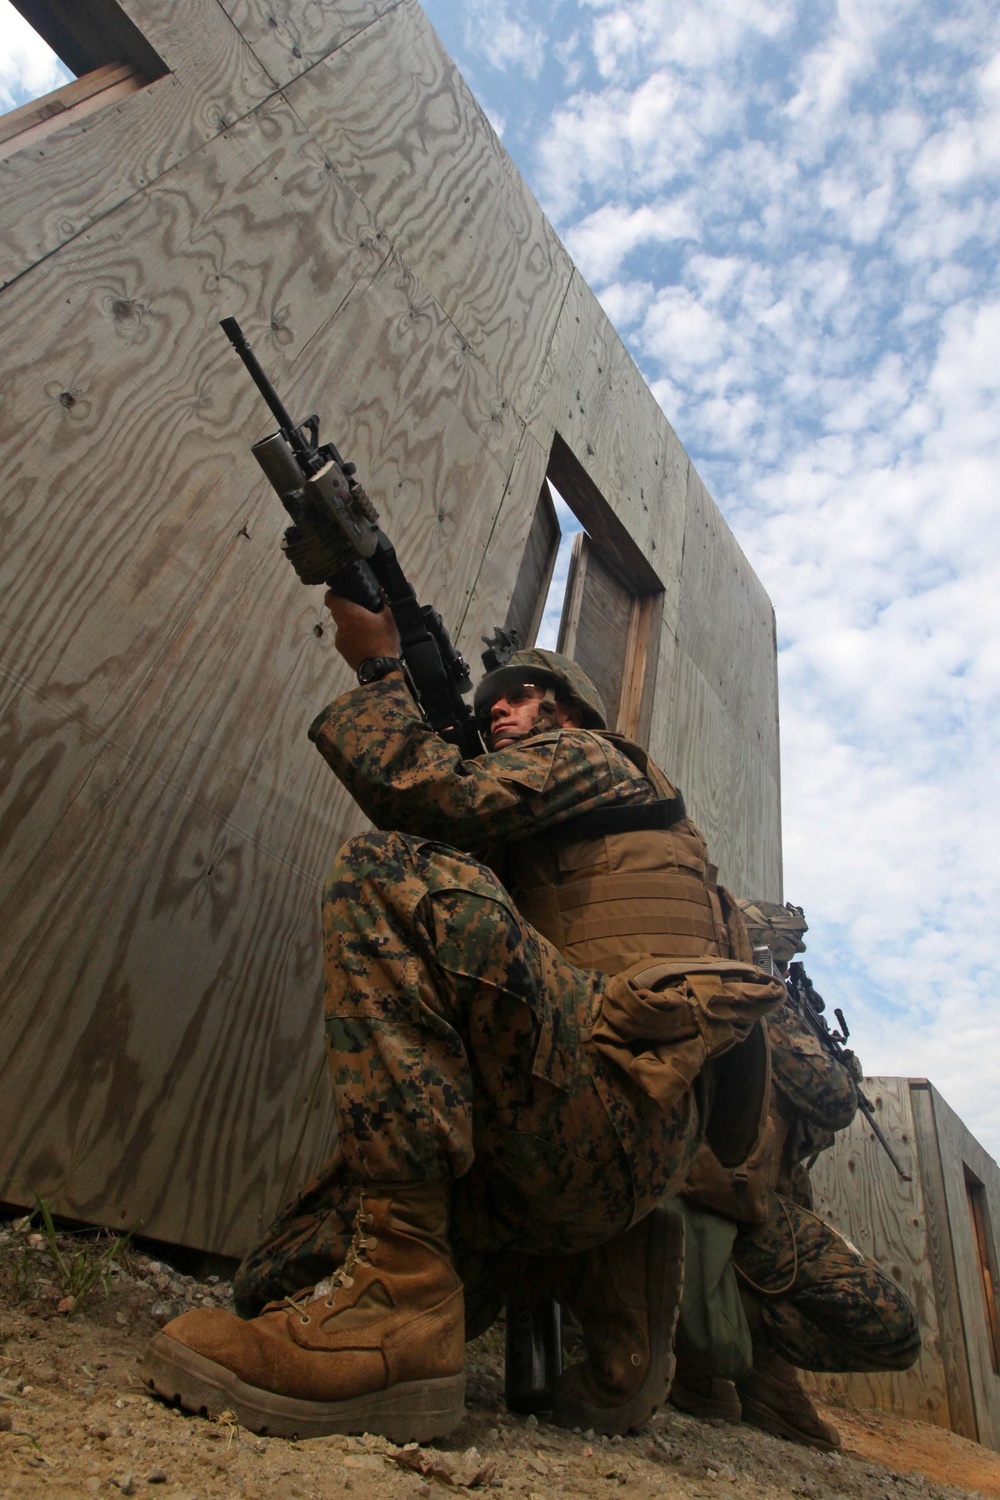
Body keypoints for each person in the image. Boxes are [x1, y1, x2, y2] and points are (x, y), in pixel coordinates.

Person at [141, 597, 784, 1442]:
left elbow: (430, 798)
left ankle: (404, 1294)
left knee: (388, 872)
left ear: (568, 709)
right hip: (560, 1143)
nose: (497, 713)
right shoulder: (544, 845)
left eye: (516, 697)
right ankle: (595, 1268)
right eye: (487, 708)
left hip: (612, 1115)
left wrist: (379, 668)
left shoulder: (597, 757)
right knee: (278, 1277)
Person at [671, 901, 921, 1449]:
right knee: (889, 1326)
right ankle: (724, 1352)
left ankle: (751, 1365)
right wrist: (832, 1064)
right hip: (706, 1200)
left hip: (740, 1204)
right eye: (780, 950)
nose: (783, 962)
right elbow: (830, 1097)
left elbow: (809, 1122)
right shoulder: (745, 989)